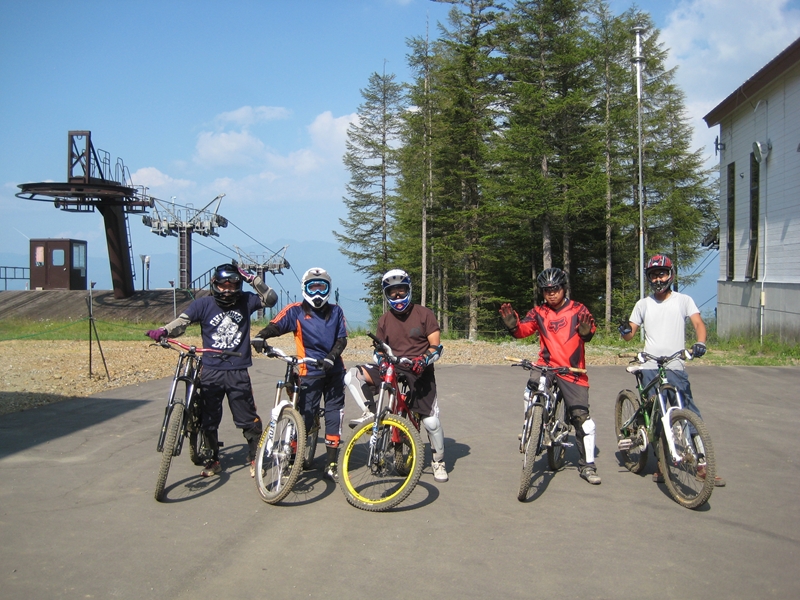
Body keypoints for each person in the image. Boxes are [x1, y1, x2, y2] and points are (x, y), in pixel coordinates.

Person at [146, 263, 278, 478]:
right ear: (214, 284)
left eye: (232, 285)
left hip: (237, 370)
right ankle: (213, 459)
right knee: (208, 419)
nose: (227, 290)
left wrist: (250, 278)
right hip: (210, 370)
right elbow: (182, 322)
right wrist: (164, 331)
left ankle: (255, 457)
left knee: (247, 418)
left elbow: (270, 298)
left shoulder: (246, 301)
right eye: (223, 285)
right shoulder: (203, 304)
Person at [619, 254, 725, 487]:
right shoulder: (643, 304)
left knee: (689, 413)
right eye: (653, 275)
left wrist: (700, 343)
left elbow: (698, 323)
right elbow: (630, 335)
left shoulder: (683, 300)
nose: (658, 279)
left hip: (675, 366)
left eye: (662, 274)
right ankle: (662, 462)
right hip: (650, 366)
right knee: (657, 415)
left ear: (671, 275)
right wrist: (625, 329)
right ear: (648, 278)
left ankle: (702, 463)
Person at [499, 267, 601, 485]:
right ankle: (531, 426)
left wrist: (586, 332)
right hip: (546, 365)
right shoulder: (539, 312)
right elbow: (524, 329)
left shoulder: (578, 309)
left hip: (572, 371)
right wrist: (513, 327)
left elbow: (590, 330)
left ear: (564, 288)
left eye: (555, 289)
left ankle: (588, 465)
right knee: (531, 389)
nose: (551, 293)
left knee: (582, 420)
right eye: (546, 290)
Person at [344, 269, 448, 483]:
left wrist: (423, 360)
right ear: (386, 294)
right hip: (393, 366)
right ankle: (371, 413)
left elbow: (436, 347)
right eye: (392, 292)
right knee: (353, 375)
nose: (398, 296)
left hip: (419, 369)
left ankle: (438, 461)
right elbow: (379, 349)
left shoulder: (424, 314)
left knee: (431, 422)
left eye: (401, 290)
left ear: (409, 290)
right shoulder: (384, 320)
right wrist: (381, 361)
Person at [251, 268, 348, 482]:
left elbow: (342, 339)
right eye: (313, 288)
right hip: (308, 370)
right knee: (304, 415)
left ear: (328, 289)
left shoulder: (336, 311)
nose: (317, 293)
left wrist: (331, 357)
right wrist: (260, 336)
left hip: (333, 370)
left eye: (321, 287)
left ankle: (331, 462)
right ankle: (294, 457)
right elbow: (276, 326)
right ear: (305, 289)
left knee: (334, 413)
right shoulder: (295, 310)